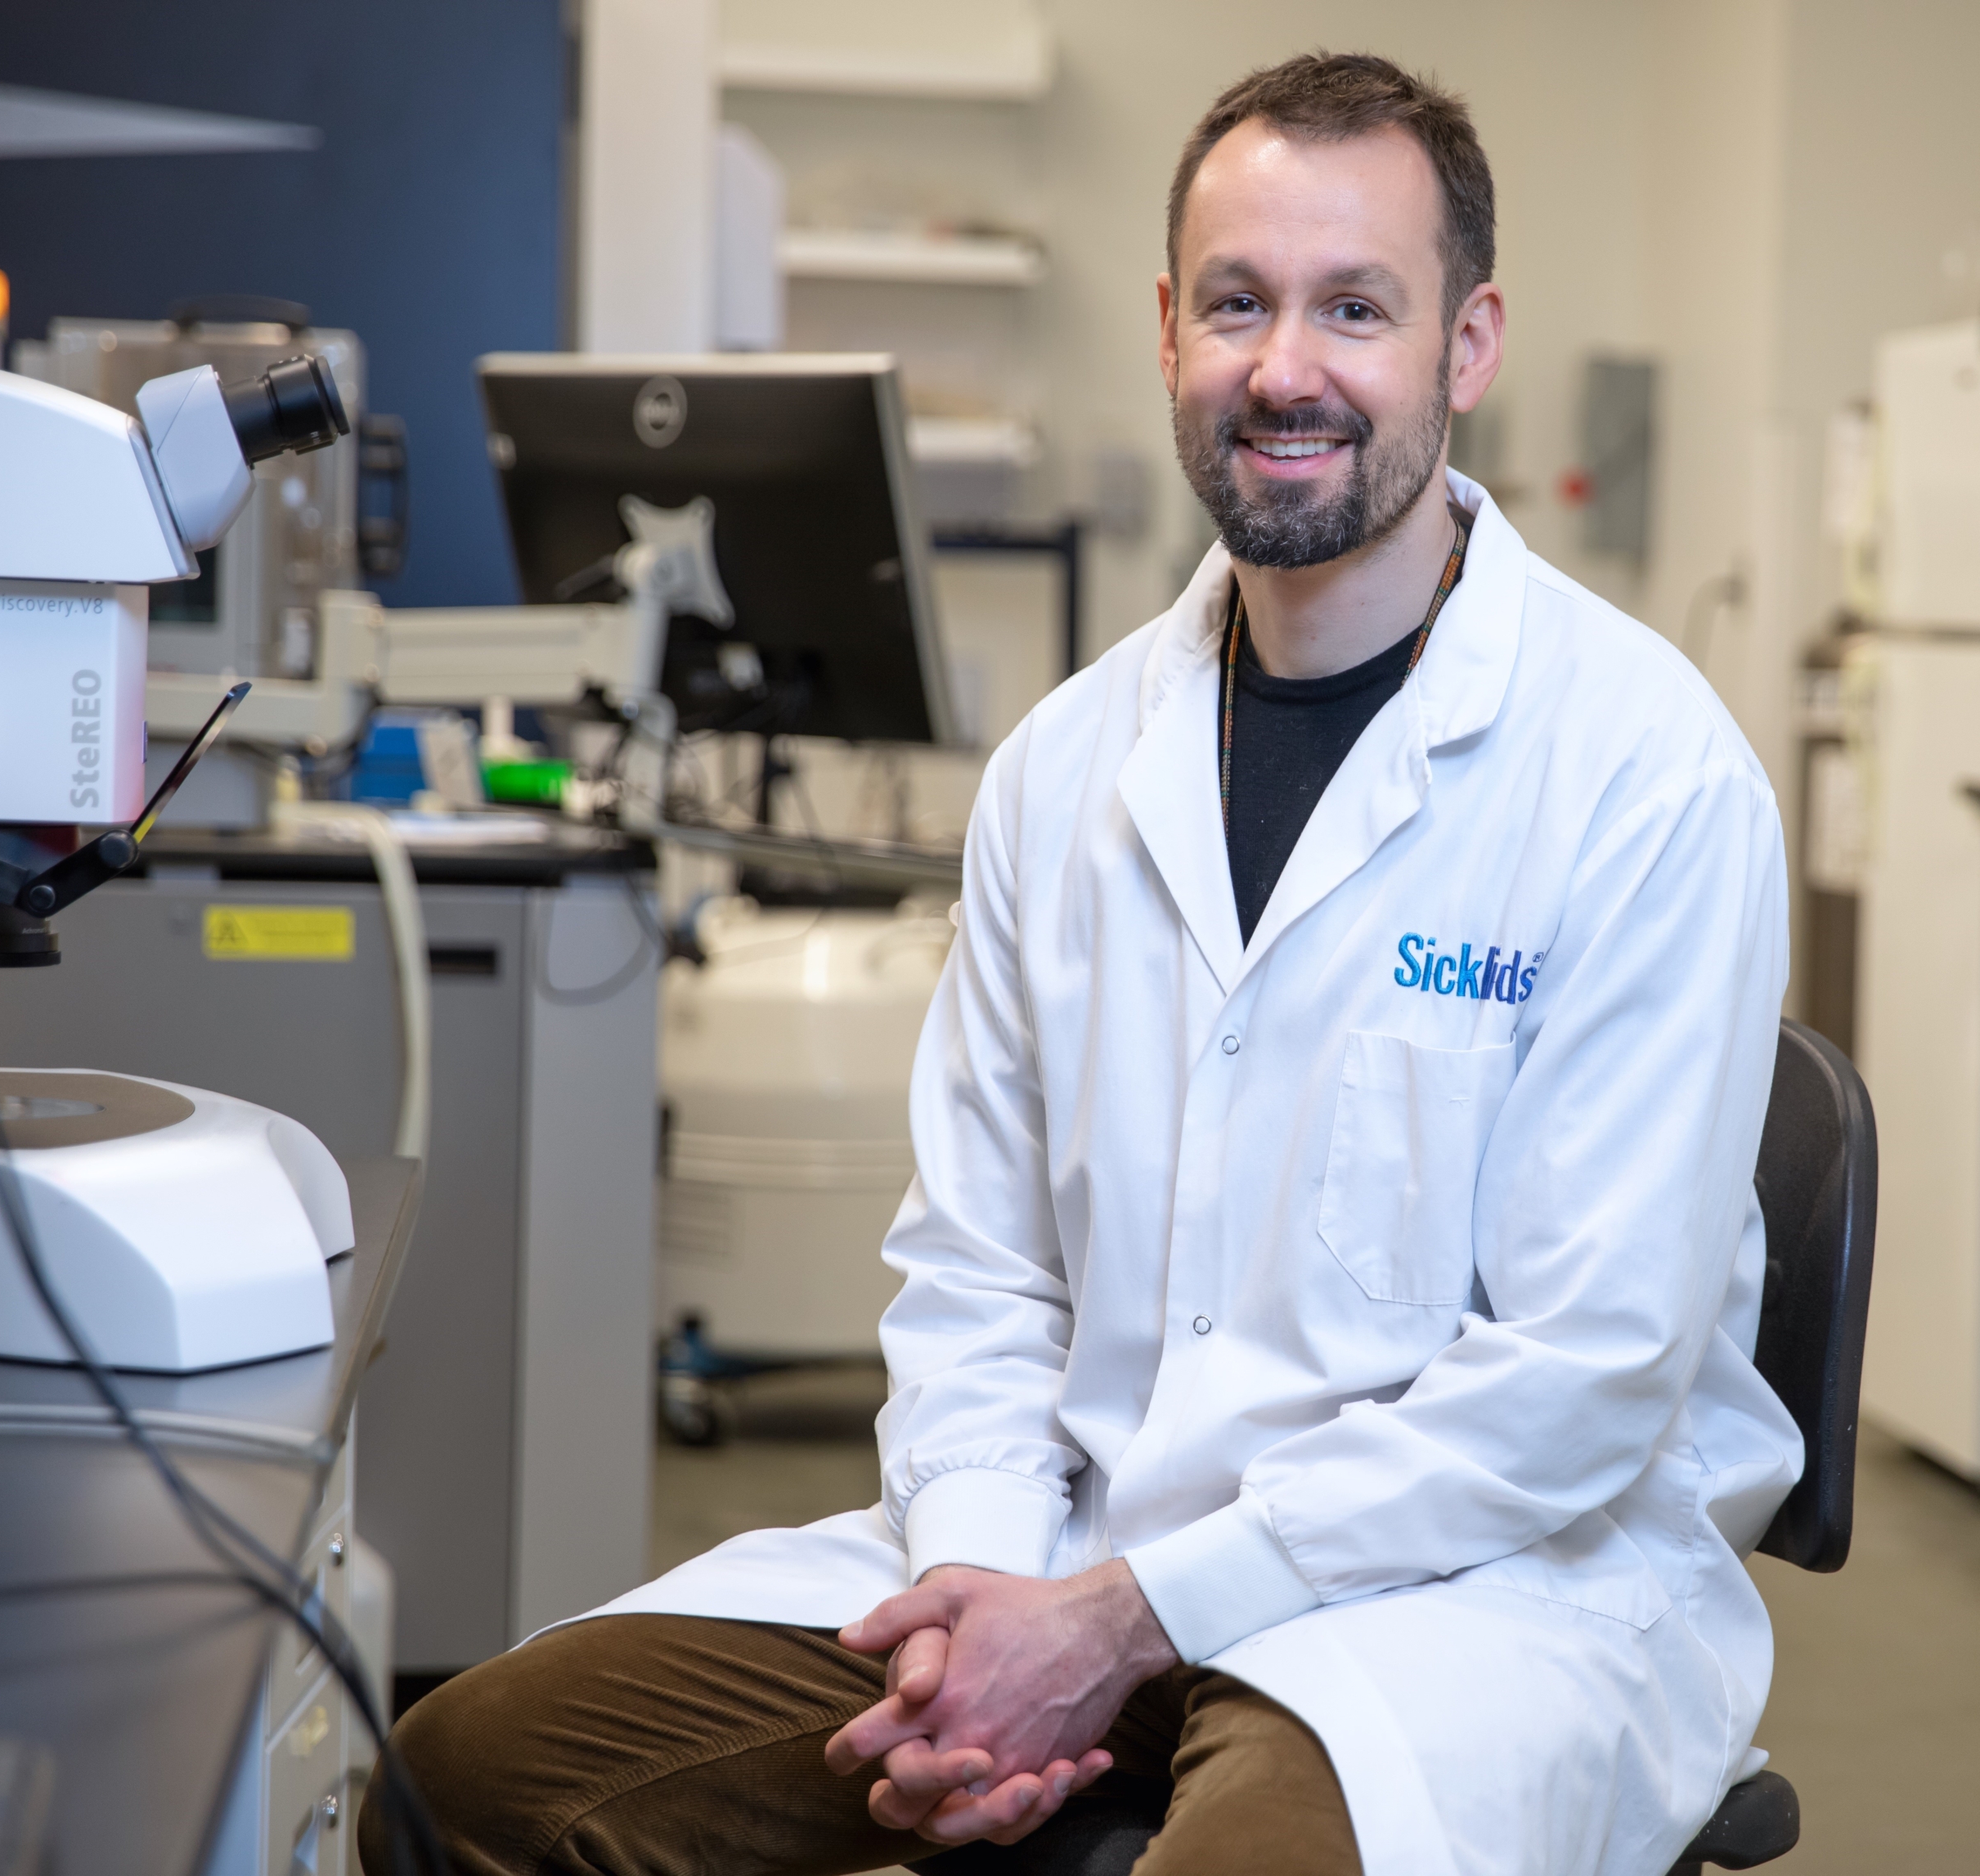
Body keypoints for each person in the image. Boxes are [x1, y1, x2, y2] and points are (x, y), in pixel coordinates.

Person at [366, 52, 1798, 1876]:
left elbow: (1579, 1378)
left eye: (1354, 306)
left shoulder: (1640, 772)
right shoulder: (1062, 765)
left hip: (1466, 1603)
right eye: (1235, 303)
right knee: (462, 1783)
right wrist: (978, 1588)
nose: (1283, 368)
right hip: (1064, 1543)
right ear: (1164, 331)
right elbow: (977, 1270)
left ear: (1467, 344)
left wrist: (1122, 1621)